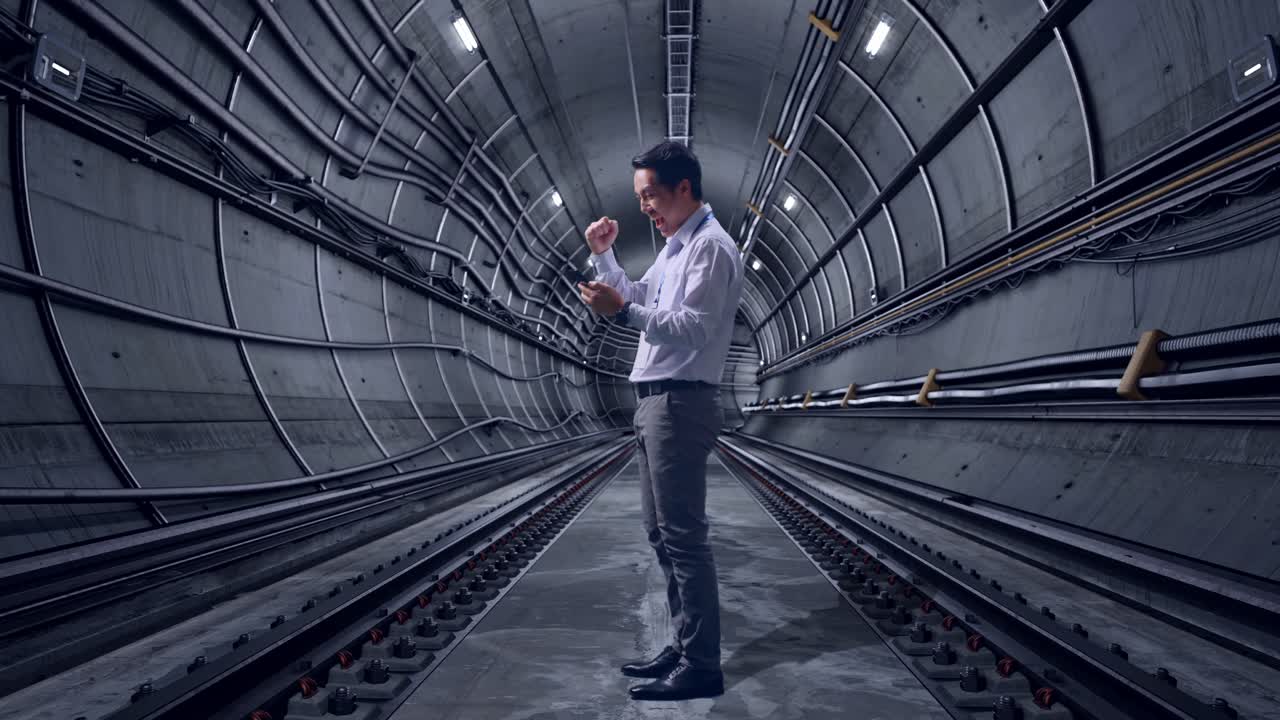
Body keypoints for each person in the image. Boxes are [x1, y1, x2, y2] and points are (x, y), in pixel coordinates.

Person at [577, 141, 744, 701]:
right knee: (661, 534)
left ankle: (702, 665)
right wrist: (605, 259)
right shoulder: (677, 248)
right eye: (640, 197)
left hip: (680, 402)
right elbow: (643, 295)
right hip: (655, 401)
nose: (645, 205)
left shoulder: (712, 249)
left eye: (650, 195)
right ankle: (684, 642)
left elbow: (690, 326)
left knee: (684, 538)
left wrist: (622, 311)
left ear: (684, 189)